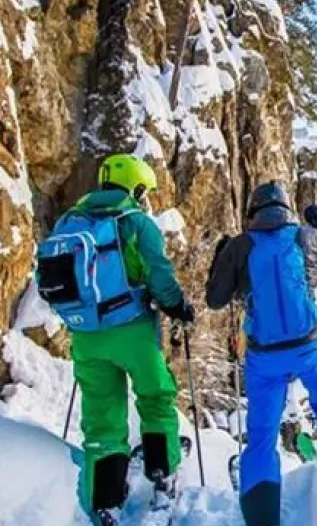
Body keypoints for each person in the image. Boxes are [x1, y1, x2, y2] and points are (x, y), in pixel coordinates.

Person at [35, 154, 194, 526]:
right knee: (155, 398)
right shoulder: (136, 222)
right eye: (144, 190)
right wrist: (179, 308)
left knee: (102, 419)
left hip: (86, 335)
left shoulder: (69, 222)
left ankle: (105, 501)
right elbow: (159, 274)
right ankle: (163, 474)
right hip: (133, 329)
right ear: (135, 186)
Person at [205, 181, 317, 526]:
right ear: (287, 208)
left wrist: (223, 254)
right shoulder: (305, 236)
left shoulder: (241, 246)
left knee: (261, 437)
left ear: (252, 213)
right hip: (307, 345)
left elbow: (215, 299)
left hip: (264, 357)